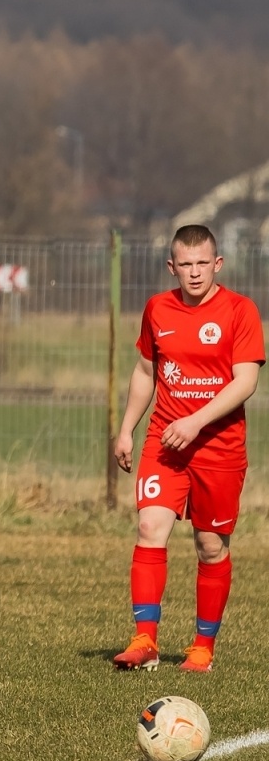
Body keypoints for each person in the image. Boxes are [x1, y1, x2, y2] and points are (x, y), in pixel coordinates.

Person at [111, 223, 263, 673]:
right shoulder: (157, 309)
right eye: (185, 265)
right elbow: (145, 371)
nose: (194, 273)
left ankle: (202, 649)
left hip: (219, 447)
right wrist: (126, 430)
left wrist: (196, 422)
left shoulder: (240, 311)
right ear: (171, 267)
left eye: (203, 264)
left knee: (209, 545)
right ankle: (145, 641)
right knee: (149, 528)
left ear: (217, 264)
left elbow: (247, 381)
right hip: (165, 440)